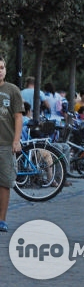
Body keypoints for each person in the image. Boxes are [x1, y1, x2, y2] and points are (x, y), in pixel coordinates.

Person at [0, 57, 24, 233]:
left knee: (4, 182)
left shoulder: (12, 90)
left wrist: (16, 140)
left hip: (5, 143)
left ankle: (2, 219)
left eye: (1, 67)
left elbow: (18, 117)